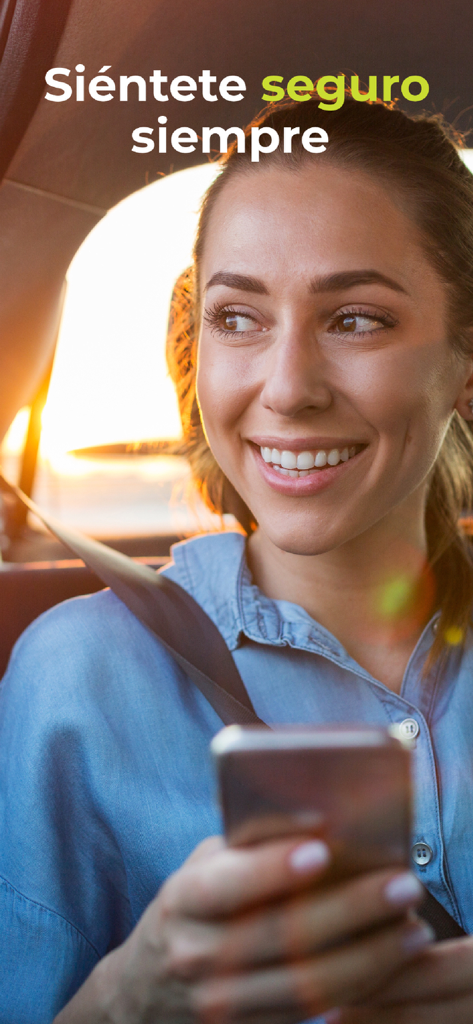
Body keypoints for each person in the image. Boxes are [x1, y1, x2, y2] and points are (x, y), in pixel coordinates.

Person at [1, 93, 473, 1024]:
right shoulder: (77, 675)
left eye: (355, 319)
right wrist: (131, 1000)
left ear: (463, 359)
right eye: (238, 317)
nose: (286, 387)